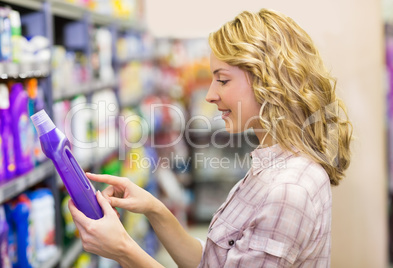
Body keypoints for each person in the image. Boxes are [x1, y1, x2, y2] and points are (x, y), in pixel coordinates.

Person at [69, 8, 353, 268]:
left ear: (269, 82)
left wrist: (122, 250)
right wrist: (154, 209)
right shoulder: (273, 164)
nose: (209, 95)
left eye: (223, 80)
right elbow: (214, 262)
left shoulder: (287, 191)